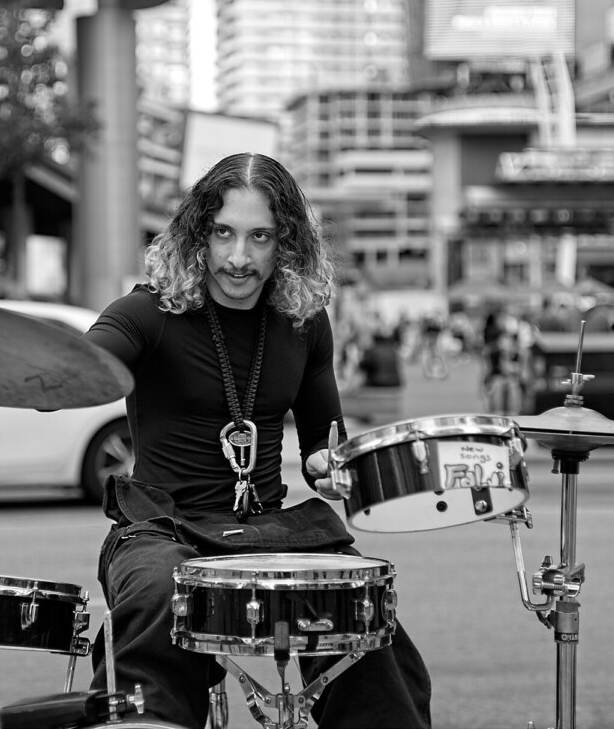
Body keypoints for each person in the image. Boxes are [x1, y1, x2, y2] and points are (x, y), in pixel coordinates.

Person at [83, 153, 431, 728]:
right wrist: (57, 369)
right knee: (154, 595)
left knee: (366, 614)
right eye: (223, 233)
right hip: (162, 527)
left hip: (269, 529)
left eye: (259, 237)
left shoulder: (303, 320)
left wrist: (328, 465)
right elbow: (88, 360)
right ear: (199, 233)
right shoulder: (148, 310)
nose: (238, 259)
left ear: (286, 242)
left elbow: (322, 441)